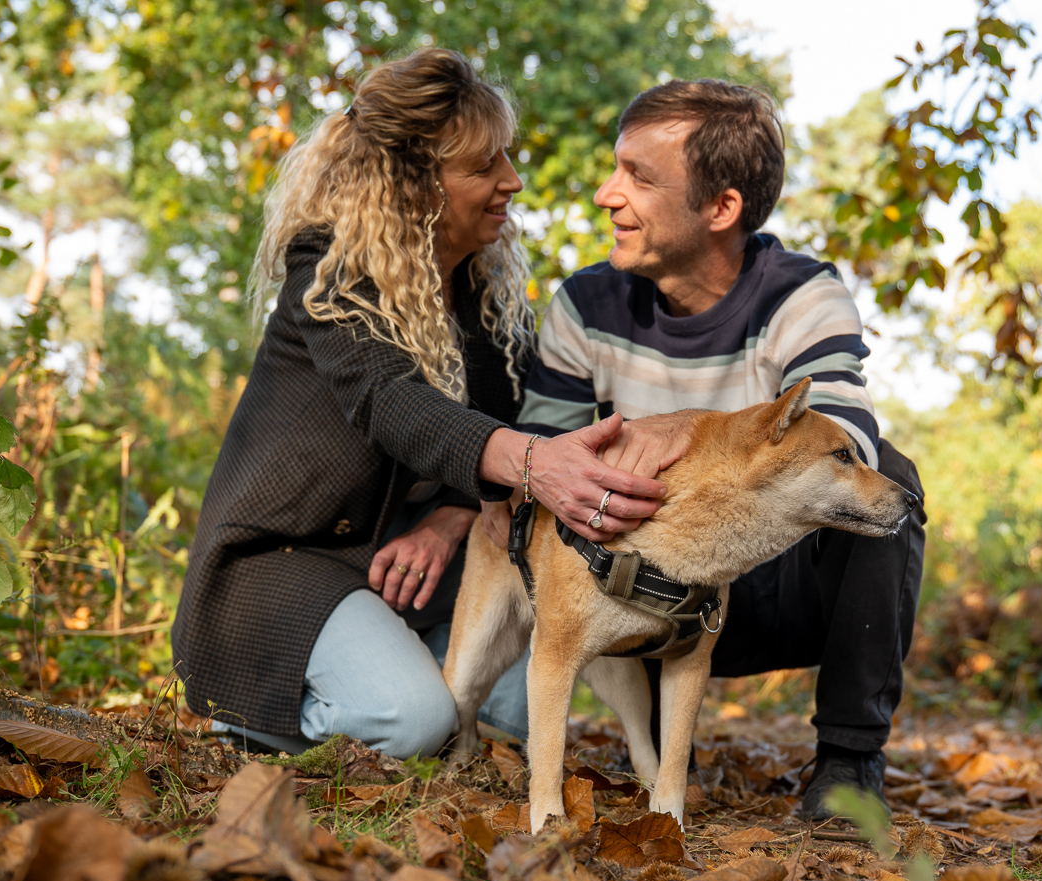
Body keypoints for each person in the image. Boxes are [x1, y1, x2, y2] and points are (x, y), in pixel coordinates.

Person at [171, 49, 671, 760]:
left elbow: (501, 421)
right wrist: (537, 465)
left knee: (523, 719)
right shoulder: (328, 273)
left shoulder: (482, 292)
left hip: (407, 577)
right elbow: (393, 404)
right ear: (415, 187)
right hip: (281, 565)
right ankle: (250, 719)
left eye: (507, 158)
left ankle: (400, 695)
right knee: (414, 723)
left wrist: (450, 516)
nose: (512, 181)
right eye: (483, 166)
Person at [498, 79, 927, 820]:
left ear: (721, 207)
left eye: (639, 176)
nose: (608, 194)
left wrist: (686, 425)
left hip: (766, 584)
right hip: (628, 587)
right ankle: (665, 752)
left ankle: (851, 762)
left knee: (890, 475)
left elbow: (846, 427)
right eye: (615, 167)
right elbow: (538, 462)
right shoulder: (583, 306)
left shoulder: (803, 295)